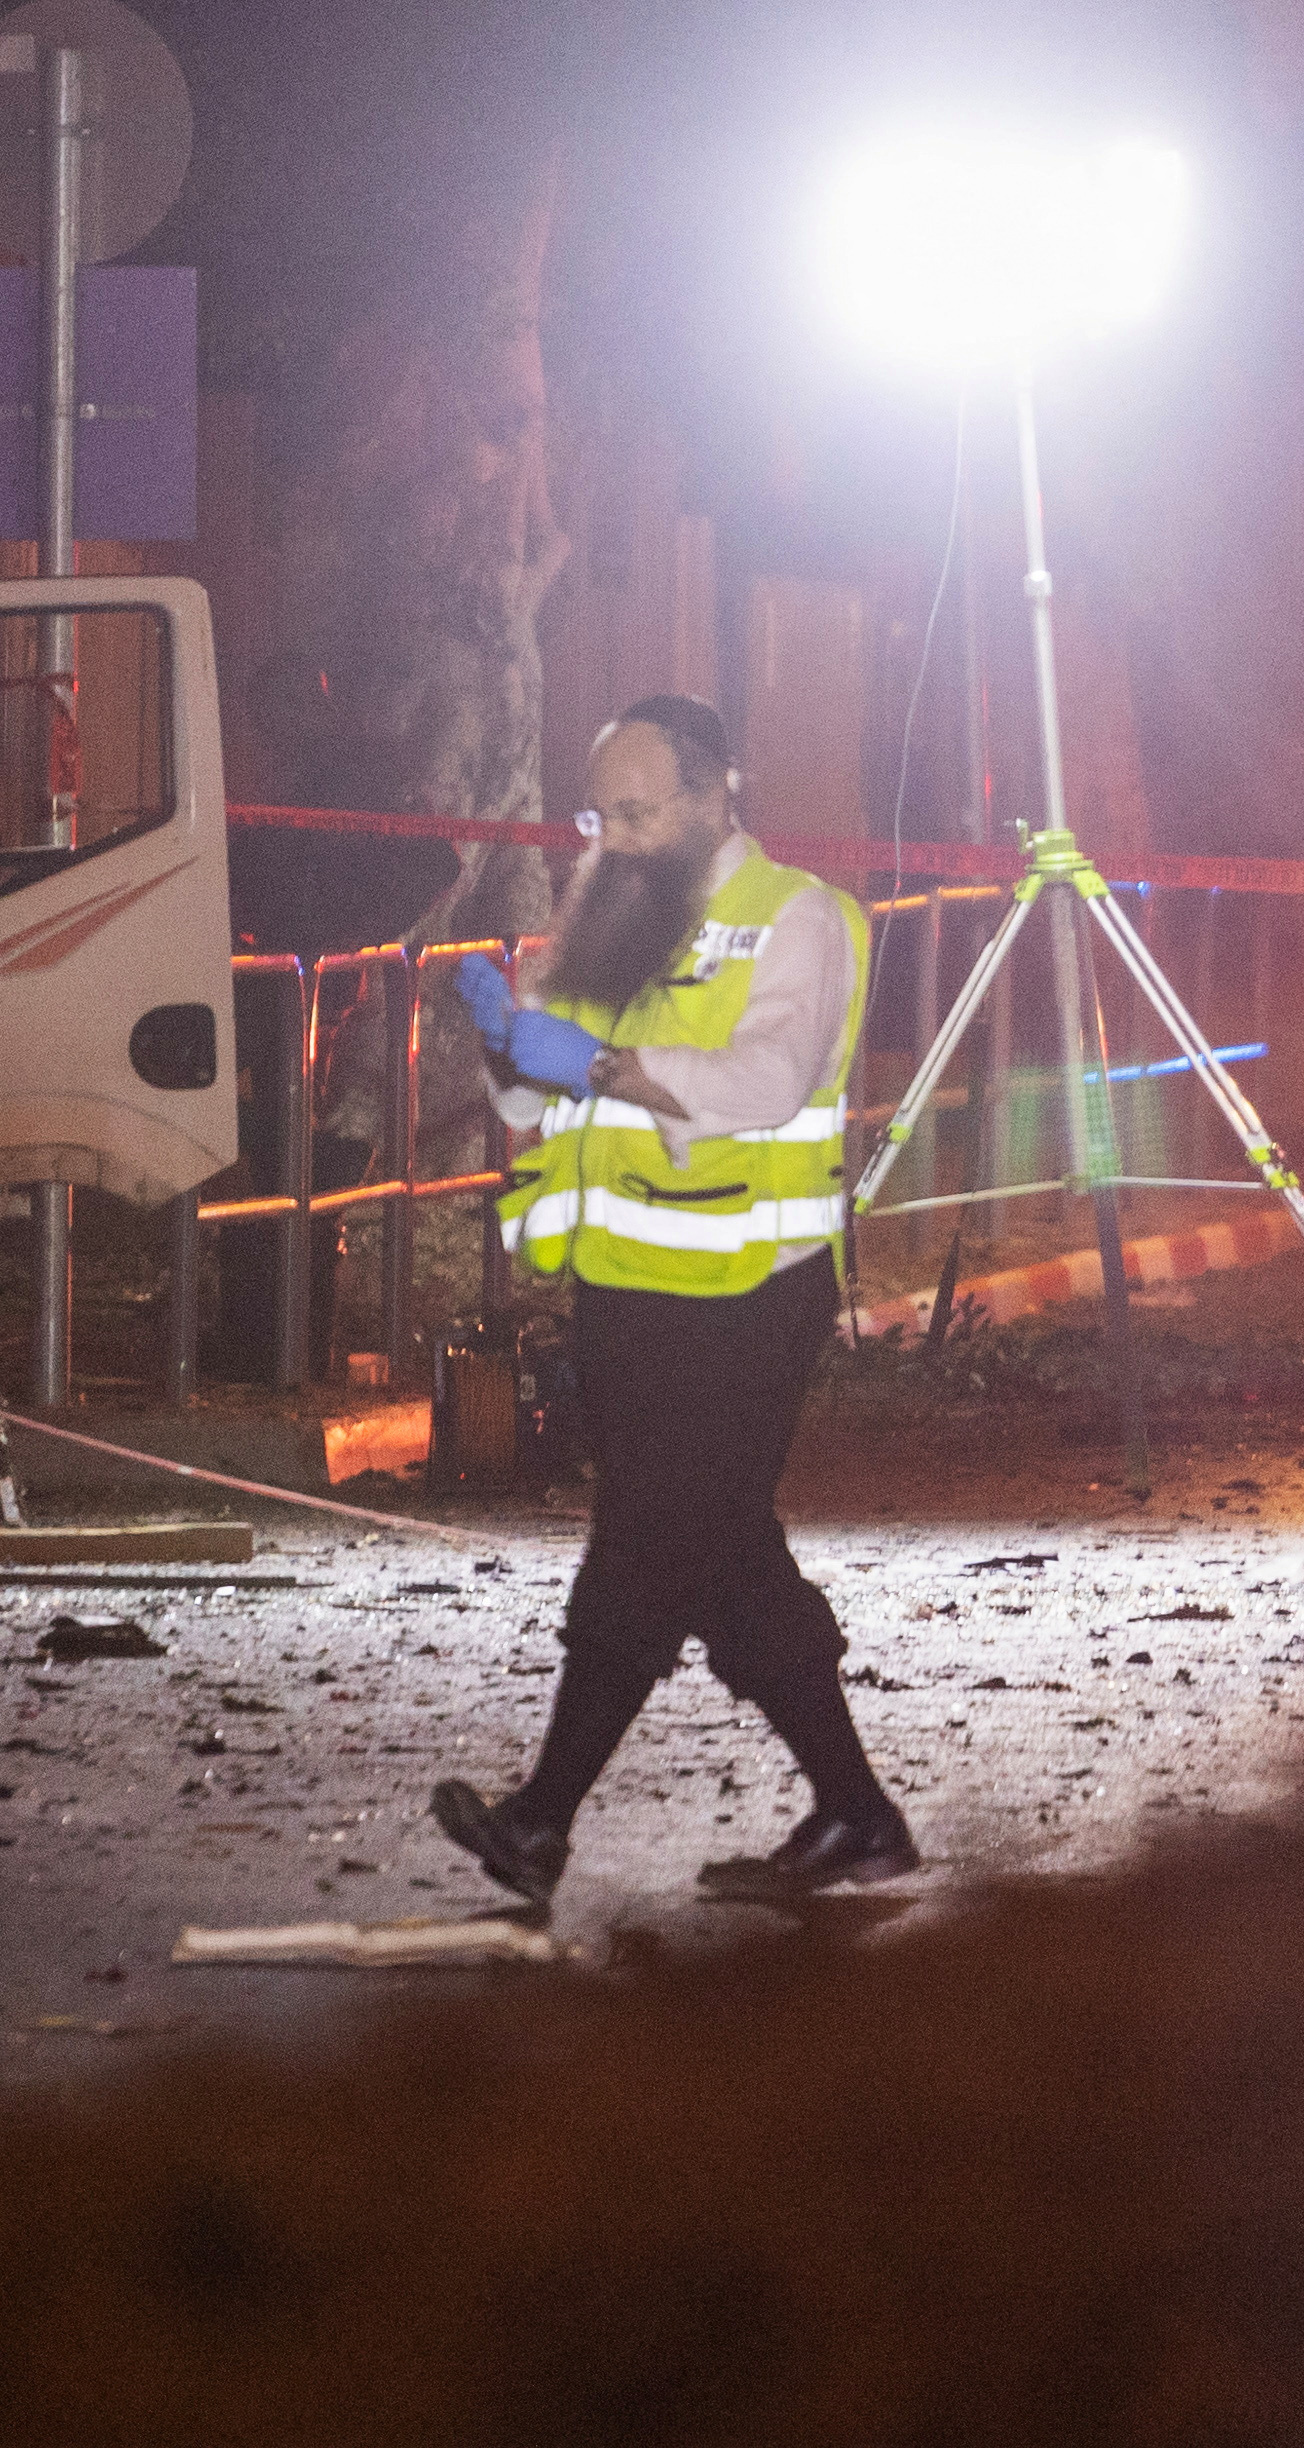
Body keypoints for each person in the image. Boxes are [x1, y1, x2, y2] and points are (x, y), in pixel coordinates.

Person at [430, 693, 903, 1910]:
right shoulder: (607, 915)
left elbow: (764, 1080)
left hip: (747, 1295)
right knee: (721, 1556)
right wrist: (506, 1047)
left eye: (639, 812)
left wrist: (590, 1062)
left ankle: (541, 1821)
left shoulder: (794, 917)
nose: (616, 837)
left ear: (714, 795)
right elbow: (535, 1105)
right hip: (627, 1298)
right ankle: (857, 1815)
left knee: (644, 1549)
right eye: (600, 813)